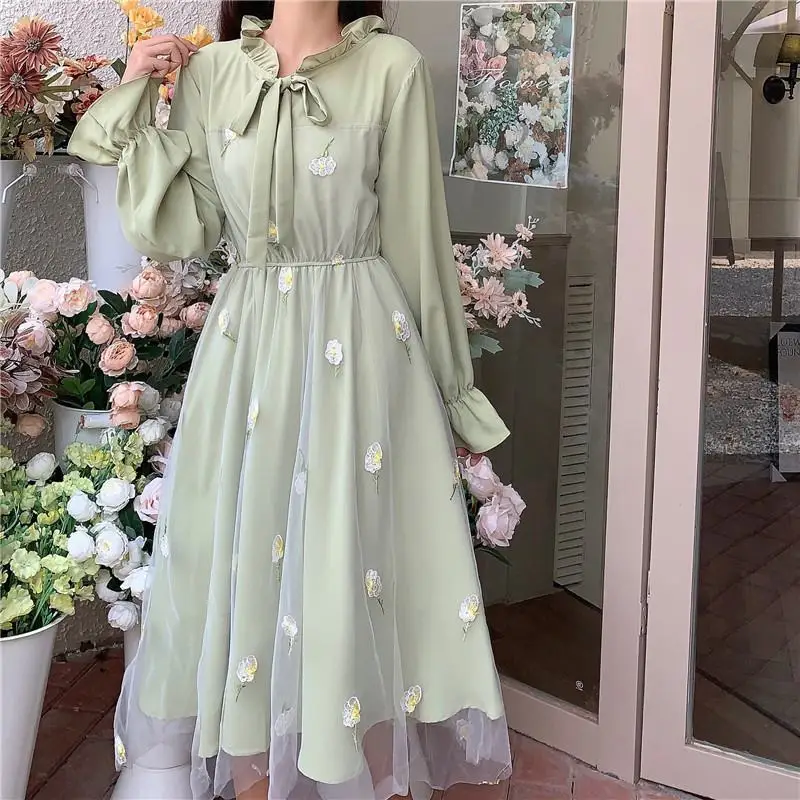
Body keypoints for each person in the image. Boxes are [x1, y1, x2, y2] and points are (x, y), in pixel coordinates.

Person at [68, 1, 512, 798]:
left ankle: (358, 771)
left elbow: (417, 238)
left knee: (353, 562)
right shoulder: (211, 74)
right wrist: (135, 93)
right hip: (248, 356)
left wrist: (453, 395)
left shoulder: (393, 68)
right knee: (247, 563)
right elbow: (185, 229)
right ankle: (254, 779)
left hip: (363, 348)